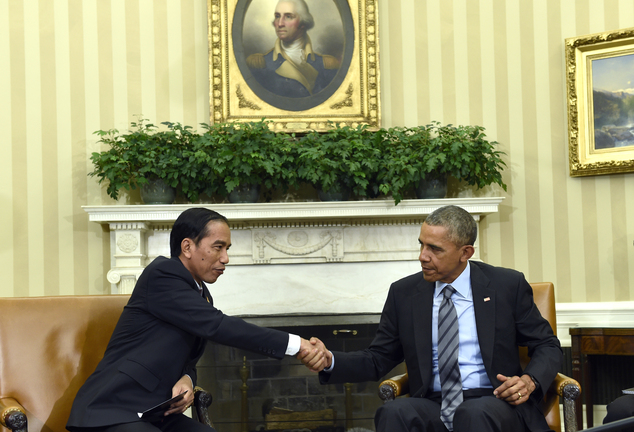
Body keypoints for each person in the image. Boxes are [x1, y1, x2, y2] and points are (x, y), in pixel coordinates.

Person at [301, 205, 563, 432]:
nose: (422, 256)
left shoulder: (506, 285)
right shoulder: (404, 293)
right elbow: (378, 358)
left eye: (435, 249)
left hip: (493, 401)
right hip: (433, 402)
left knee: (473, 413)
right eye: (422, 244)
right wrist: (329, 360)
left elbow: (547, 345)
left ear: (466, 252)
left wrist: (529, 381)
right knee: (393, 413)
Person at [67, 208, 328, 432]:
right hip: (112, 409)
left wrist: (187, 379)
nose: (225, 258)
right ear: (188, 246)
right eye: (218, 247)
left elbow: (187, 358)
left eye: (227, 249)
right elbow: (218, 326)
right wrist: (297, 345)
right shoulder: (162, 275)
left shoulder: (201, 293)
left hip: (155, 413)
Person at [246, 0, 340, 98]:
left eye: (288, 16)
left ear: (303, 23)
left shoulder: (326, 65)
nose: (280, 23)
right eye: (277, 16)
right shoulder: (260, 64)